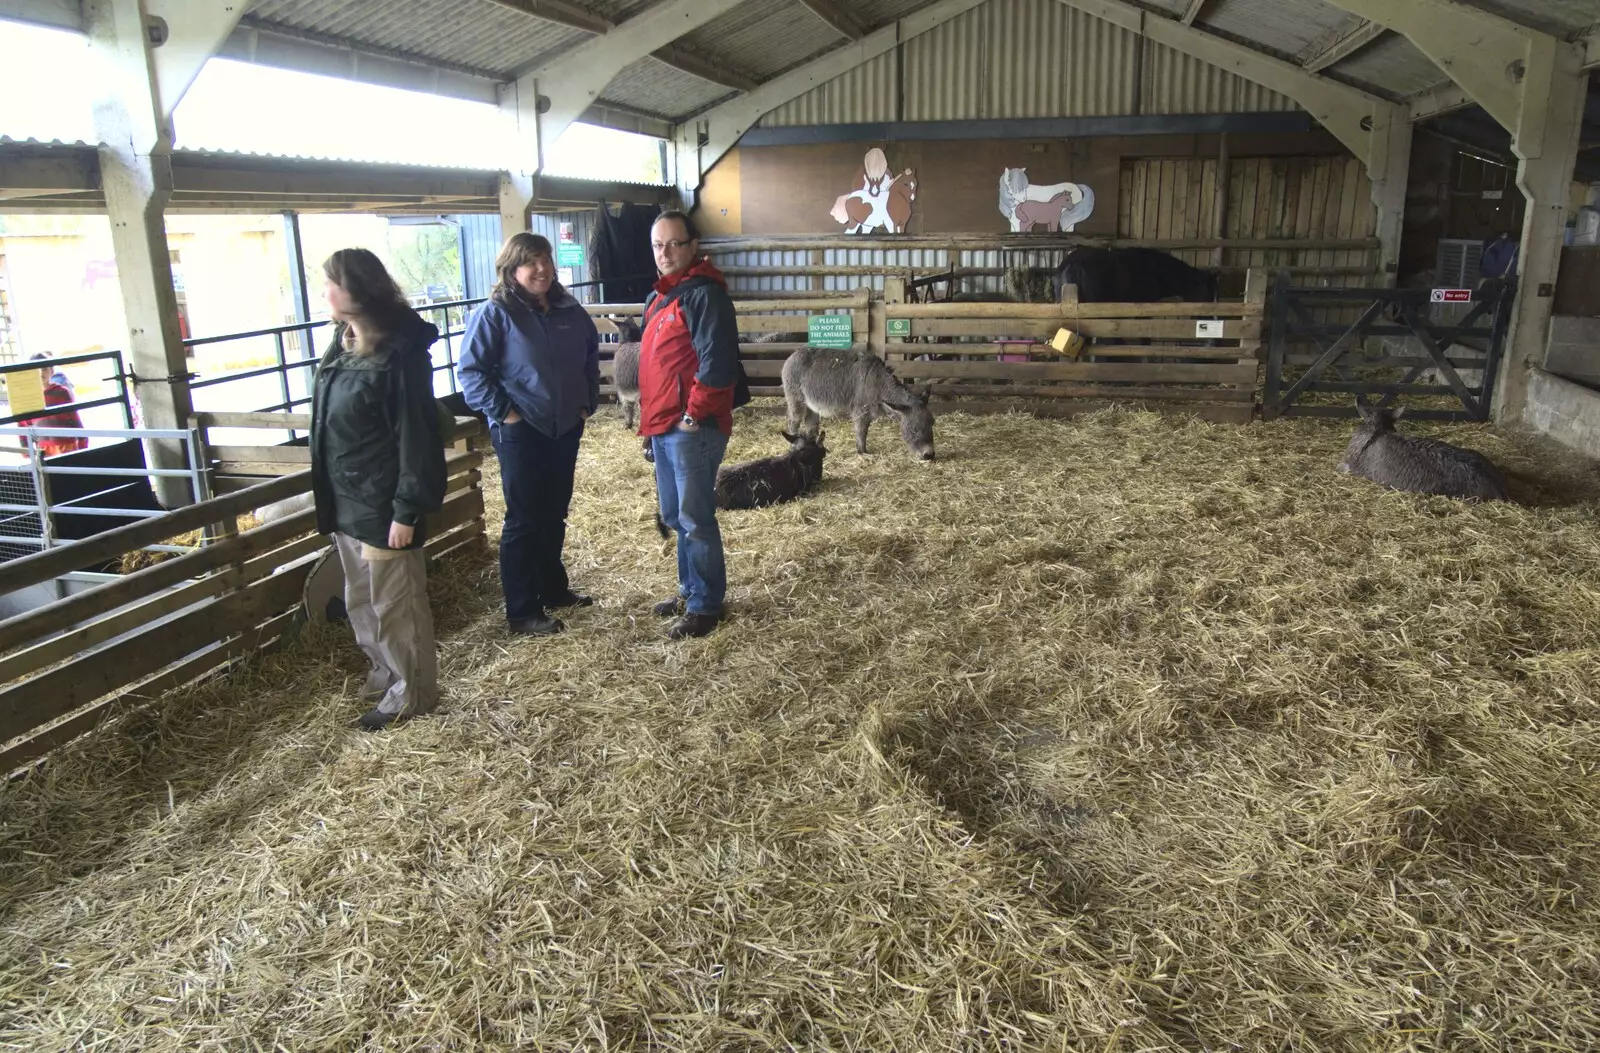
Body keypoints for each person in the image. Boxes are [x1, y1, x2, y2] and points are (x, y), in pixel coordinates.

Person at [309, 248, 447, 731]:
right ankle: (386, 673)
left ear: (353, 290)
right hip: (348, 500)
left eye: (328, 283)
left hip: (384, 504)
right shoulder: (342, 342)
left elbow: (417, 436)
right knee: (361, 600)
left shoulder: (399, 356)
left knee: (397, 606)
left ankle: (413, 693)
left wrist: (407, 510)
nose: (323, 292)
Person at [457, 232, 600, 637]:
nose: (541, 269)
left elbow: (591, 355)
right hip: (522, 429)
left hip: (566, 424)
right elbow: (471, 372)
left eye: (545, 260)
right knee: (524, 517)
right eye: (530, 262)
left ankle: (553, 588)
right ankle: (521, 609)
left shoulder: (570, 310)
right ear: (511, 269)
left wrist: (586, 400)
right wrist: (506, 413)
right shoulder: (496, 313)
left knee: (555, 510)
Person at [638, 210, 743, 640]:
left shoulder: (703, 295)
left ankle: (705, 605)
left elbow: (717, 363)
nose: (665, 253)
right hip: (662, 425)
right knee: (674, 514)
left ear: (693, 245)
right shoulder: (661, 297)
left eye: (674, 244)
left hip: (690, 427)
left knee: (695, 516)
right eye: (658, 245)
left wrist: (693, 415)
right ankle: (689, 589)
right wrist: (652, 426)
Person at [20, 354, 88, 457]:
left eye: (44, 369)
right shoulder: (28, 397)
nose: (41, 372)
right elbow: (23, 425)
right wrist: (26, 453)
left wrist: (83, 444)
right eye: (36, 369)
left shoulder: (61, 392)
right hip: (43, 449)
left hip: (67, 445)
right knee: (49, 473)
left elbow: (74, 419)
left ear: (52, 371)